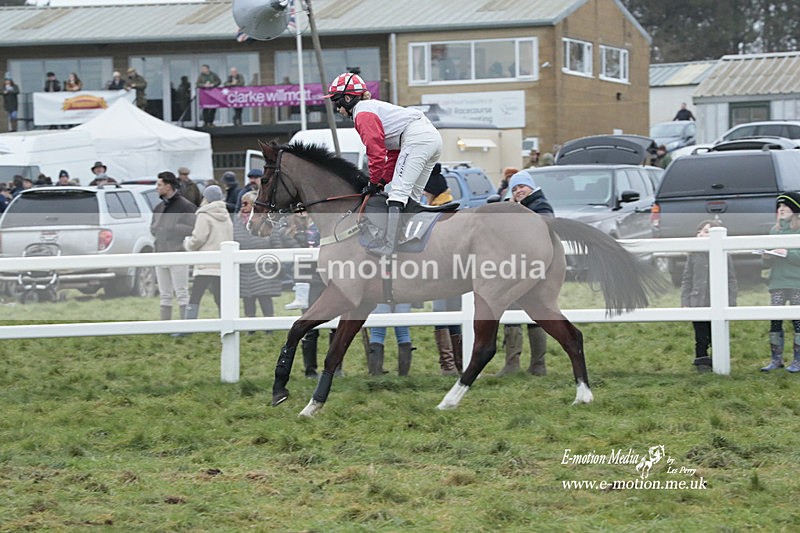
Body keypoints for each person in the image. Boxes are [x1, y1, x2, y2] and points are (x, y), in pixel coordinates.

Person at [323, 71, 442, 257]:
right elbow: (392, 153)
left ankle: (389, 245)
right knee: (412, 196)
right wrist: (381, 181)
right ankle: (407, 239)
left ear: (347, 98)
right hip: (430, 138)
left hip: (417, 138)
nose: (337, 108)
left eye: (337, 102)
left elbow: (376, 152)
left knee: (398, 193)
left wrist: (373, 180)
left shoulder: (362, 114)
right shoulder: (372, 108)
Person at [495, 170, 553, 377]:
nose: (519, 191)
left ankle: (530, 364)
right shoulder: (523, 207)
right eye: (515, 188)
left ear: (531, 187)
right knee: (518, 314)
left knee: (528, 315)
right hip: (518, 269)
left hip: (532, 270)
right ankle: (525, 364)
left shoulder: (540, 206)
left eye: (522, 187)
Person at [680, 220, 738, 373]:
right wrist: (685, 300)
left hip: (717, 300)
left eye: (705, 231)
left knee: (716, 333)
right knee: (700, 335)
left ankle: (718, 361)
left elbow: (731, 279)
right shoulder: (693, 255)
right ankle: (702, 362)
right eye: (699, 231)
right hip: (697, 300)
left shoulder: (724, 254)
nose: (701, 234)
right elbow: (687, 279)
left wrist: (731, 301)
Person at [423, 164, 461, 376]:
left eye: (426, 191)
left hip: (441, 270)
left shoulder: (438, 211)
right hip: (456, 271)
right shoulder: (452, 207)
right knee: (454, 316)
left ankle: (448, 365)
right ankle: (458, 362)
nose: (424, 194)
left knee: (441, 314)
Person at [760, 192, 800, 372]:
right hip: (777, 282)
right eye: (779, 207)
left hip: (796, 283)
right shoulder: (774, 231)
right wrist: (767, 256)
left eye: (786, 206)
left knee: (797, 321)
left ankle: (798, 360)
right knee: (775, 320)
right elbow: (767, 262)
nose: (781, 210)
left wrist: (788, 253)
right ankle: (776, 359)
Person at [150, 171, 197, 323]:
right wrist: (157, 229)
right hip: (160, 251)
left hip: (177, 252)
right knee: (164, 293)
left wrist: (172, 228)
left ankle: (185, 325)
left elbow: (192, 227)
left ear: (168, 186)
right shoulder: (158, 207)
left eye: (159, 184)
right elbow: (153, 227)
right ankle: (166, 325)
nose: (156, 187)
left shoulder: (185, 205)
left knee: (181, 291)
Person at [182, 185, 233, 323]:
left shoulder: (204, 214)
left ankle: (188, 326)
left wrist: (188, 243)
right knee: (219, 296)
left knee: (196, 295)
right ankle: (226, 323)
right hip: (221, 263)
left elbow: (198, 238)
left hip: (205, 263)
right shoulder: (225, 214)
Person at [234, 191, 283, 335]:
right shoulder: (236, 222)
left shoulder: (266, 221)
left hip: (263, 268)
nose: (243, 206)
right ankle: (251, 329)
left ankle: (269, 328)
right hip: (244, 269)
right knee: (248, 299)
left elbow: (276, 243)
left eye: (246, 203)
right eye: (242, 203)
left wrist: (276, 263)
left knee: (264, 297)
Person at [366, 303, 415, 376]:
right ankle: (403, 376)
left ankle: (376, 375)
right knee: (403, 332)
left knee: (377, 332)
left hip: (381, 294)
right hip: (403, 294)